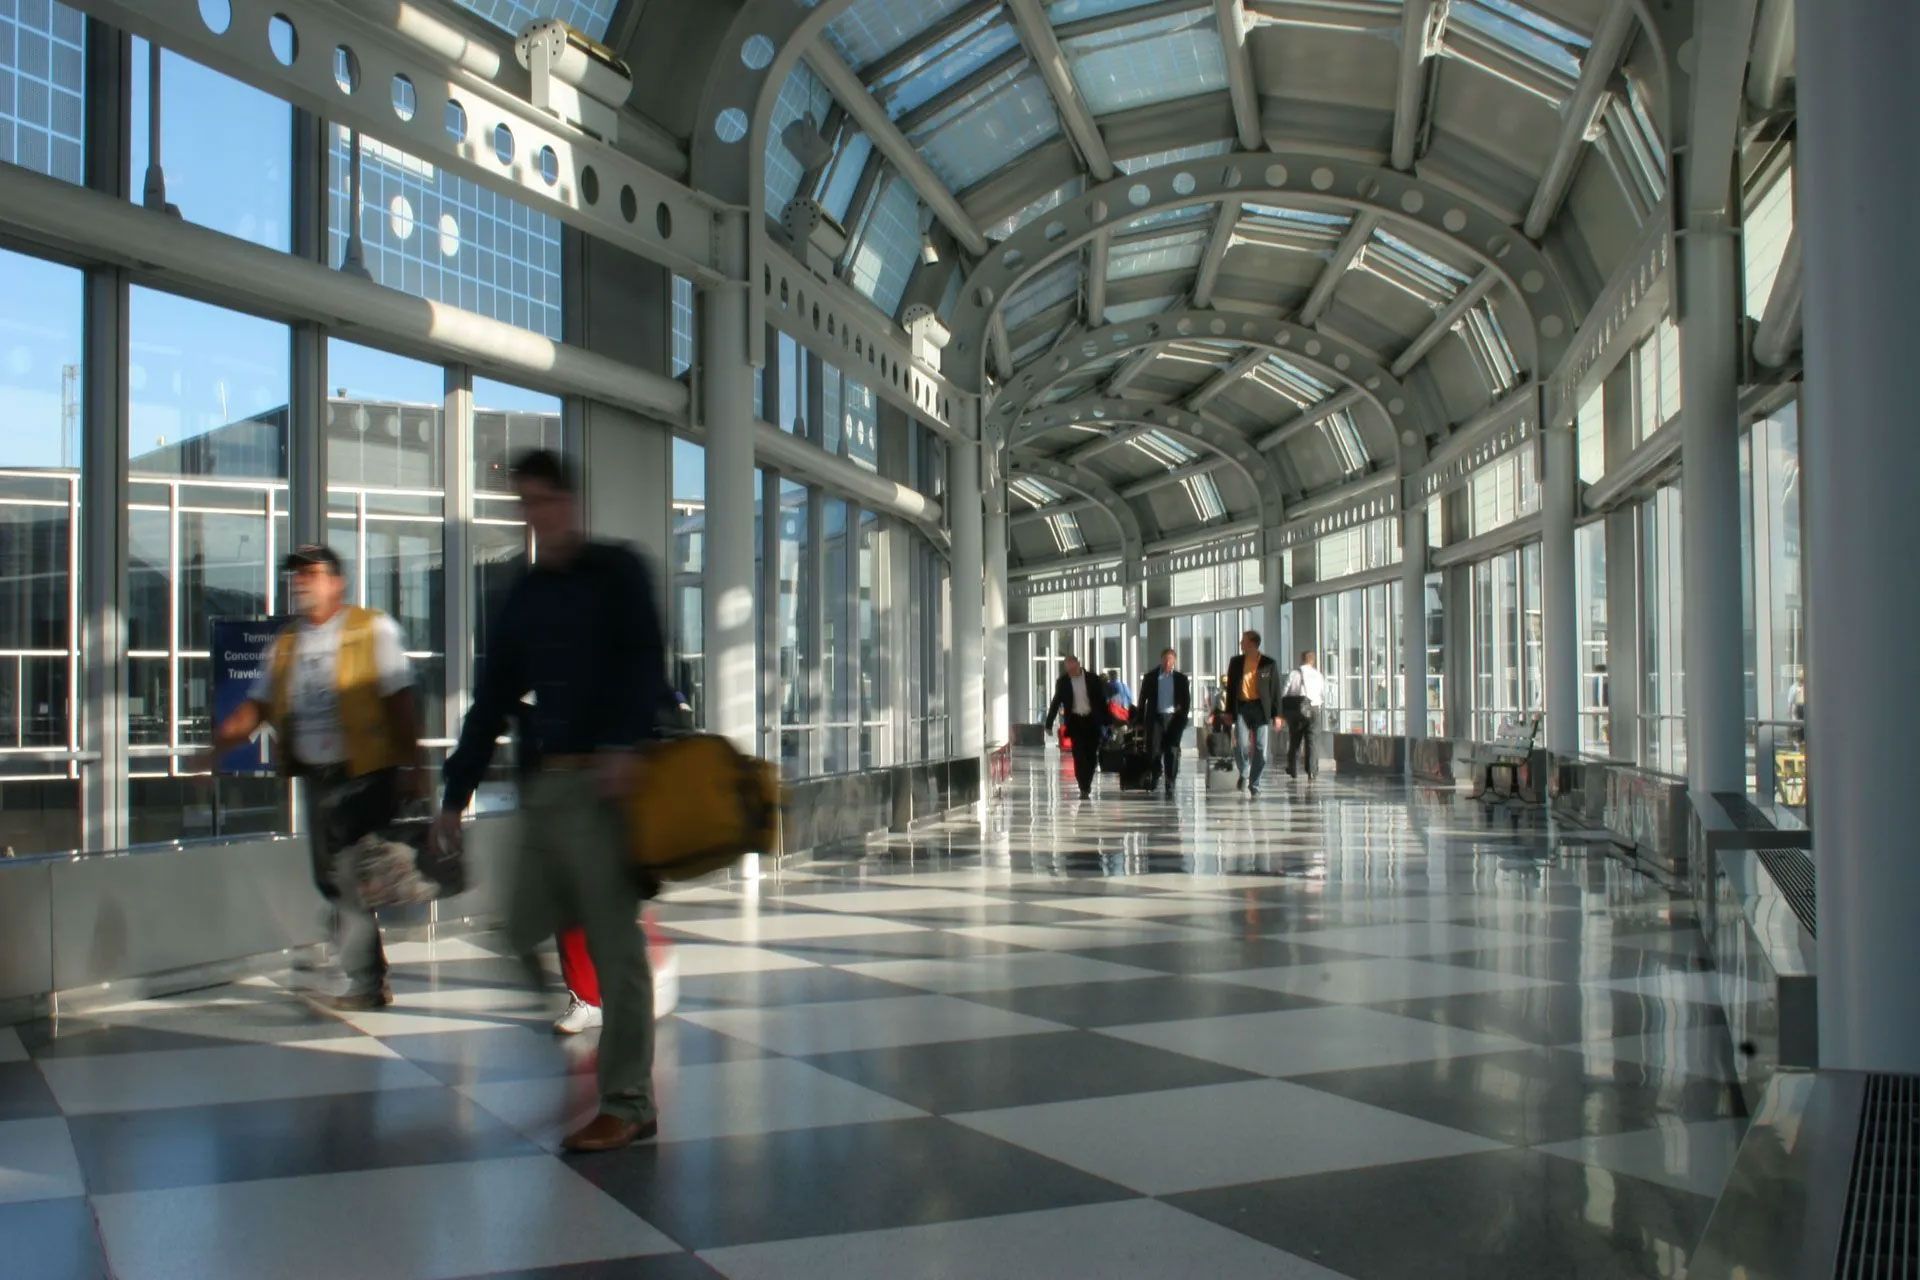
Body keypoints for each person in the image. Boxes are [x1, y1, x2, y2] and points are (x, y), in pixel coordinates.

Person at [433, 449, 671, 1154]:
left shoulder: (617, 572)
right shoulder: (525, 595)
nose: (534, 516)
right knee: (515, 929)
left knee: (617, 948)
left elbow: (647, 665)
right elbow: (491, 702)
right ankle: (576, 1013)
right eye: (524, 504)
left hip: (604, 787)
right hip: (544, 788)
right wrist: (455, 795)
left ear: (570, 503)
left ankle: (628, 1101)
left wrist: (627, 745)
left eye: (544, 500)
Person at [204, 544, 421, 1010]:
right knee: (331, 879)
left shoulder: (370, 628)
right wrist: (219, 745)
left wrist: (414, 764)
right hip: (317, 777)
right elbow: (257, 707)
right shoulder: (287, 643)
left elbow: (400, 700)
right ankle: (360, 960)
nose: (301, 582)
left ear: (336, 581)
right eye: (296, 575)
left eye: (312, 573)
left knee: (343, 876)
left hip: (365, 774)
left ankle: (365, 978)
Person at [1222, 630, 1283, 796]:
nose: (1241, 643)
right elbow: (1231, 689)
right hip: (1242, 707)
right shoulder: (1235, 662)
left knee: (1261, 748)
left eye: (1244, 641)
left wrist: (1277, 715)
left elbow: (1275, 690)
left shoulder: (1268, 663)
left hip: (1260, 709)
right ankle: (1245, 771)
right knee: (1241, 743)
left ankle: (1254, 784)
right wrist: (1228, 712)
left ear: (1252, 643)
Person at [1043, 655, 1109, 800]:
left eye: (1072, 668)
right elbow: (1056, 702)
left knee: (1091, 755)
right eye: (1068, 669)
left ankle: (1087, 782)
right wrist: (1048, 723)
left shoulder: (1093, 679)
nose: (1070, 671)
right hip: (1075, 722)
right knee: (1078, 755)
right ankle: (1083, 787)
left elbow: (1102, 701)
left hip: (1092, 721)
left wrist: (1107, 721)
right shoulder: (1063, 682)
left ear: (1078, 665)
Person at [1136, 648, 1191, 798]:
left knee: (1172, 752)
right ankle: (1156, 772)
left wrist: (1182, 717)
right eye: (1165, 659)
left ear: (1174, 661)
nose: (1167, 662)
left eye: (1170, 660)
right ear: (1161, 660)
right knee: (1153, 750)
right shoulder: (1151, 677)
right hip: (1156, 719)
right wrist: (1139, 719)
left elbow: (1186, 701)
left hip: (1173, 719)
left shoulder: (1181, 679)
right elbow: (1142, 699)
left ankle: (1170, 782)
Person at [1283, 649, 1328, 779]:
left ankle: (1293, 768)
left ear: (1302, 659)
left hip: (1297, 711)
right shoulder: (1318, 675)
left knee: (1295, 740)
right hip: (1314, 710)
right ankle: (1312, 771)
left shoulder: (1294, 674)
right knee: (1312, 741)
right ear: (1312, 661)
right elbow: (1323, 694)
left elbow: (1285, 692)